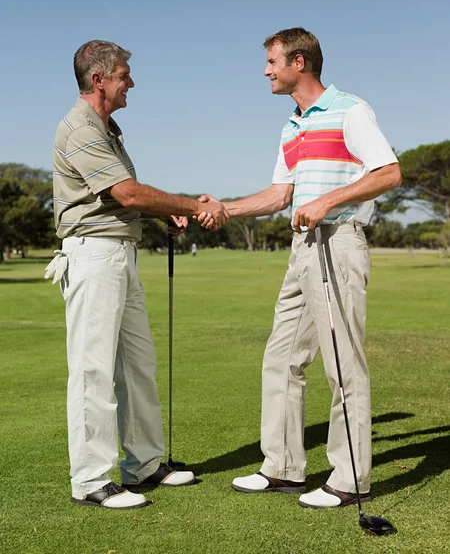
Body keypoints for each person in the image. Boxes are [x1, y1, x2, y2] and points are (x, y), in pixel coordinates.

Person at [198, 27, 401, 509]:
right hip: (302, 251)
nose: (266, 71)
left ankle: (351, 480)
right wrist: (223, 208)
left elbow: (388, 171)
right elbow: (279, 194)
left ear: (299, 64)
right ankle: (284, 468)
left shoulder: (351, 110)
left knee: (342, 362)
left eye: (272, 62)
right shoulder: (292, 125)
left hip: (337, 243)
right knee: (281, 357)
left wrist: (328, 201)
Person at [46, 40, 227, 510]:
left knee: (137, 365)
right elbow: (127, 194)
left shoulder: (110, 129)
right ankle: (89, 479)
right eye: (125, 74)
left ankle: (144, 463)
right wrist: (191, 204)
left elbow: (120, 201)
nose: (132, 82)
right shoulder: (80, 126)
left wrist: (160, 216)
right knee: (93, 370)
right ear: (99, 79)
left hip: (119, 253)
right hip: (92, 255)